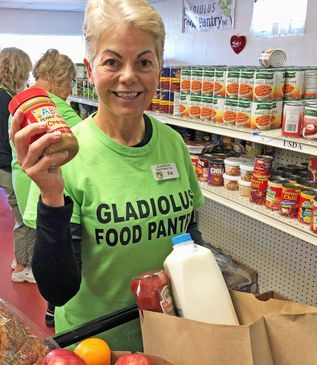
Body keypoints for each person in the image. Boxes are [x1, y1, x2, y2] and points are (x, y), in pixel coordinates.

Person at [11, 0, 204, 351]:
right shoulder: (66, 155)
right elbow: (57, 290)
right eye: (112, 62)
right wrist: (52, 196)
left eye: (144, 62)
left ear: (159, 68)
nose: (129, 76)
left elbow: (188, 235)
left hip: (167, 337)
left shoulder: (174, 145)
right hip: (95, 346)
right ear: (91, 68)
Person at [10, 48, 82, 327]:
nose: (68, 90)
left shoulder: (21, 105)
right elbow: (79, 145)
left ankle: (49, 297)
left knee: (38, 235)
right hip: (47, 186)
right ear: (58, 78)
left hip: (23, 180)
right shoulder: (55, 110)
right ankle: (54, 308)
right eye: (68, 83)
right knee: (57, 244)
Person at [0, 47, 33, 282]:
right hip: (6, 163)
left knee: (18, 212)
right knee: (23, 216)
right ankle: (22, 268)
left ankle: (19, 257)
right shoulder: (9, 101)